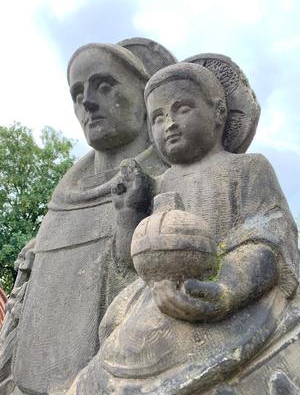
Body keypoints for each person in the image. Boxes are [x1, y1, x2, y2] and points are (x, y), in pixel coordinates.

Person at [67, 62, 300, 394]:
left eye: (182, 108)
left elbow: (269, 241)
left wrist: (226, 289)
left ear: (219, 112)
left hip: (232, 293)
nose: (170, 124)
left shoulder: (248, 168)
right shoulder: (156, 185)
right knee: (100, 374)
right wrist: (129, 212)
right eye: (158, 117)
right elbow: (128, 264)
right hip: (156, 302)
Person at [2, 42, 172, 395]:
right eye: (77, 93)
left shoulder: (173, 180)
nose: (87, 103)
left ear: (146, 97)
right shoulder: (62, 200)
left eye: (105, 86)